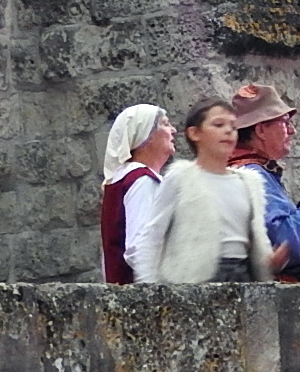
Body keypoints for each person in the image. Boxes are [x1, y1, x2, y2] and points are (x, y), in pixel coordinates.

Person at [135, 100, 277, 283]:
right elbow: (152, 235)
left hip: (242, 278)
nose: (228, 131)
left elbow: (253, 241)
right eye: (218, 124)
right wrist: (149, 287)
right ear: (194, 133)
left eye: (233, 127)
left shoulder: (249, 183)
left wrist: (270, 261)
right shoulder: (181, 178)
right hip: (193, 281)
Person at [227, 84, 300, 282]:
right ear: (261, 129)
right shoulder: (252, 175)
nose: (292, 130)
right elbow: (277, 244)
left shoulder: (248, 172)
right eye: (284, 123)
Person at [100, 104, 175, 283]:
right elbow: (139, 248)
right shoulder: (142, 180)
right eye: (165, 124)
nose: (173, 130)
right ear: (145, 137)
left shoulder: (124, 178)